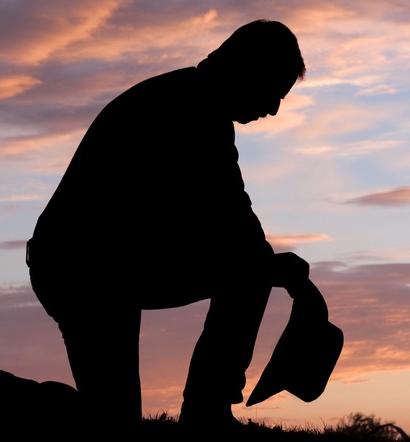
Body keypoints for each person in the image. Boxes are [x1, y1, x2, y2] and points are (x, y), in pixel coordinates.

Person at [26, 19, 310, 431]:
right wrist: (273, 268)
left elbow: (227, 218)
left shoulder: (193, 101)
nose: (273, 108)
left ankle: (207, 409)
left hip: (111, 269)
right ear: (248, 69)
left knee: (111, 415)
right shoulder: (192, 110)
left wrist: (265, 263)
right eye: (273, 90)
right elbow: (230, 215)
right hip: (83, 274)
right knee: (111, 419)